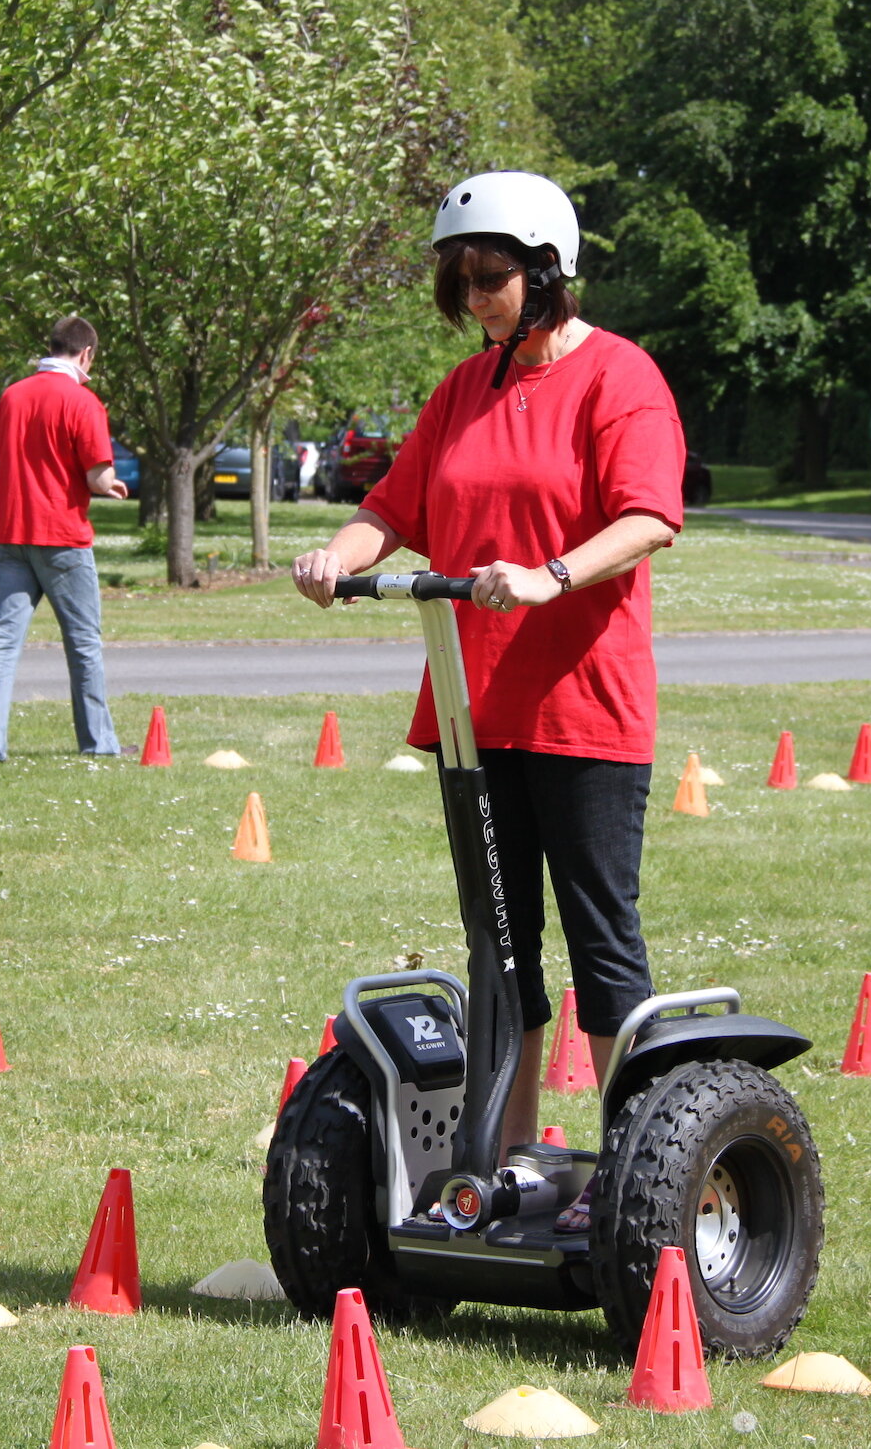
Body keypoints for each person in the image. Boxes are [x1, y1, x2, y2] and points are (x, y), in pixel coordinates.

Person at [291, 171, 686, 1228]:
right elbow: (395, 503)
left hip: (582, 705)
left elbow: (648, 514)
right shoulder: (464, 391)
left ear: (548, 270)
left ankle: (632, 1166)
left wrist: (551, 571)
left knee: (602, 939)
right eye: (459, 281)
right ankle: (505, 1159)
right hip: (475, 709)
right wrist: (338, 550)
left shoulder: (619, 378)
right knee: (496, 940)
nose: (475, 298)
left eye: (492, 277)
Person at [0, 315, 131, 762]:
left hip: (10, 530)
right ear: (86, 354)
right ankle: (98, 743)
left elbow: (9, 457)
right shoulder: (84, 402)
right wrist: (111, 485)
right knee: (83, 643)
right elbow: (98, 475)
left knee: (3, 640)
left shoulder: (12, 396)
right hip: (61, 536)